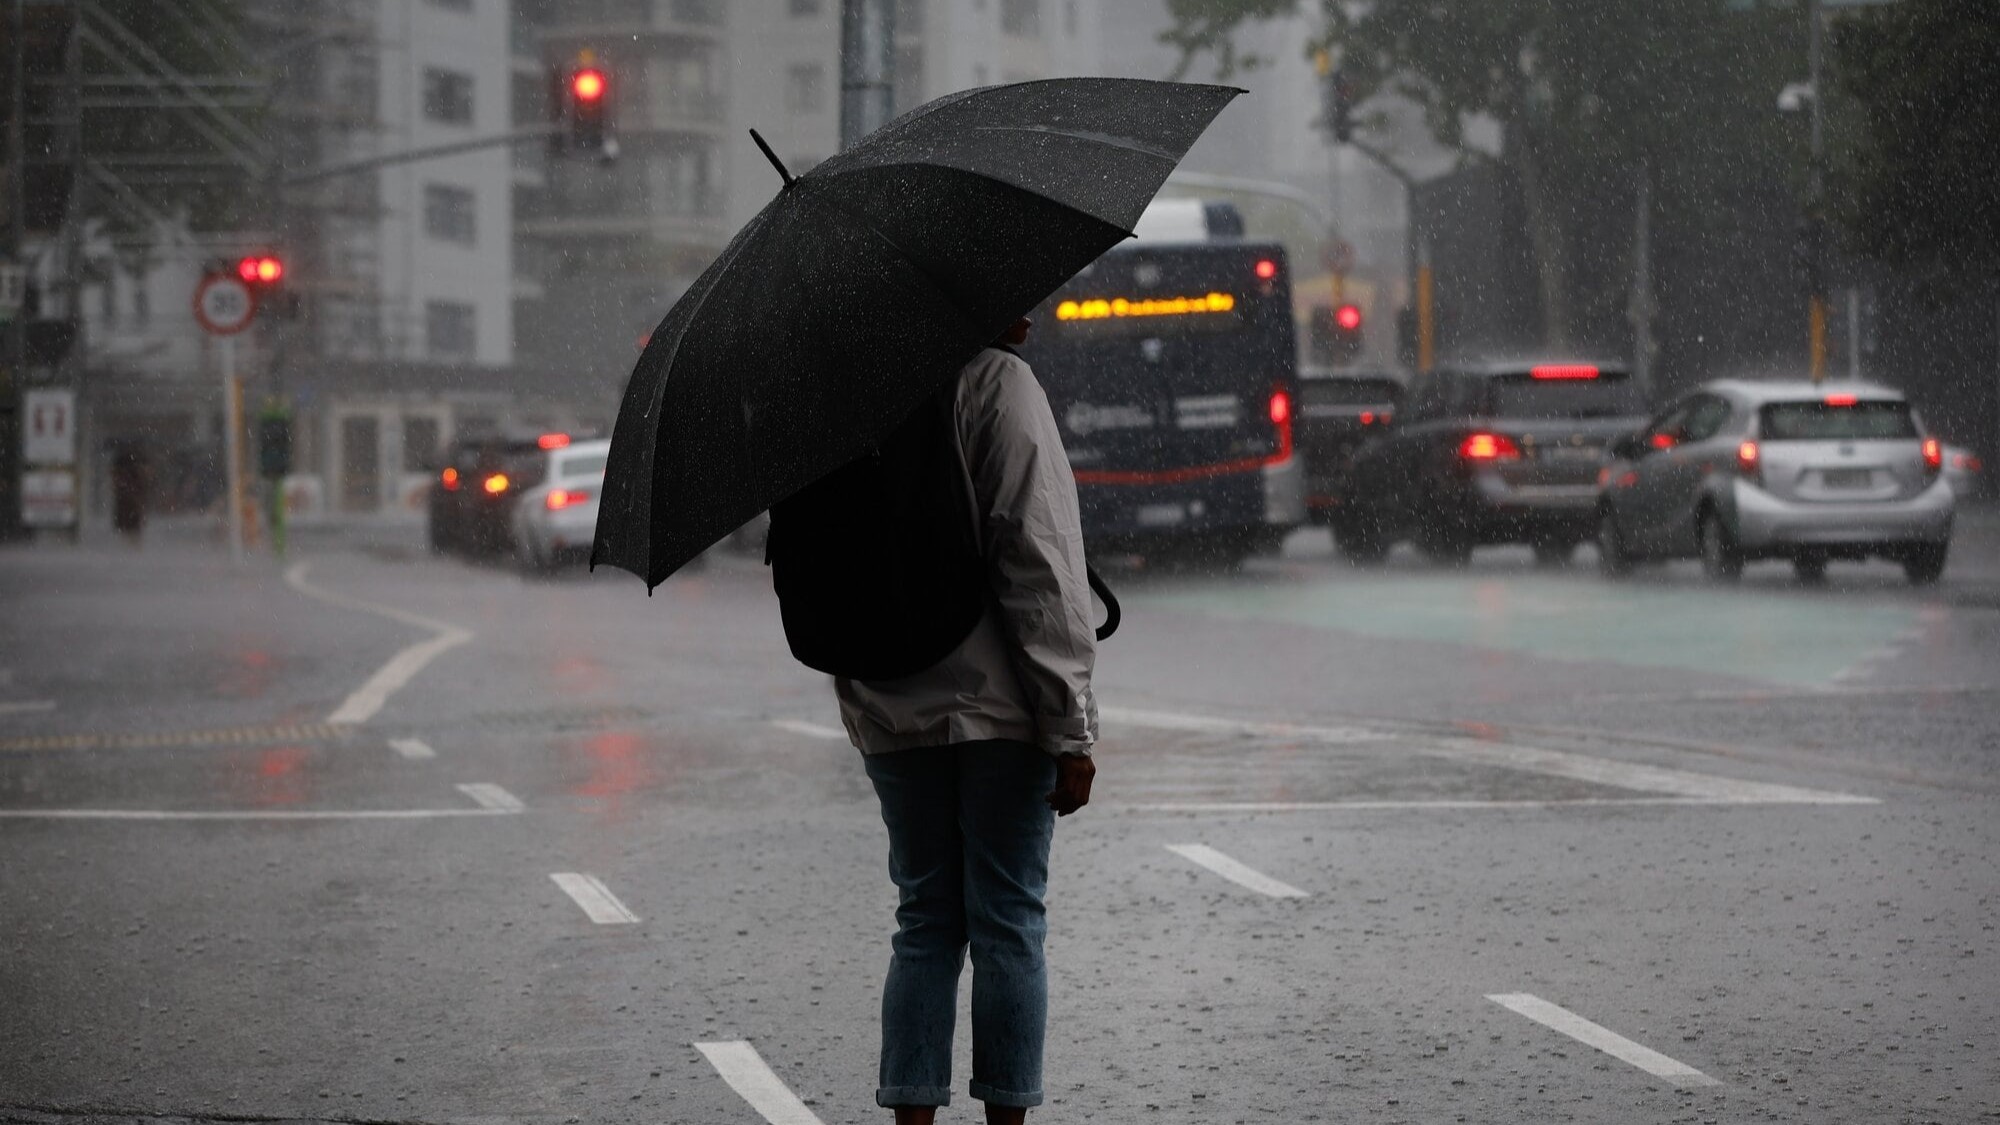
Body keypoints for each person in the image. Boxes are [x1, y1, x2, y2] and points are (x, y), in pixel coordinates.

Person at [836, 317, 1098, 1125]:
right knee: (1009, 924)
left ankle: (911, 1118)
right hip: (1001, 704)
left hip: (890, 700)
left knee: (924, 923)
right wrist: (1072, 725)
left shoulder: (844, 396)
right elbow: (1039, 563)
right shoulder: (996, 383)